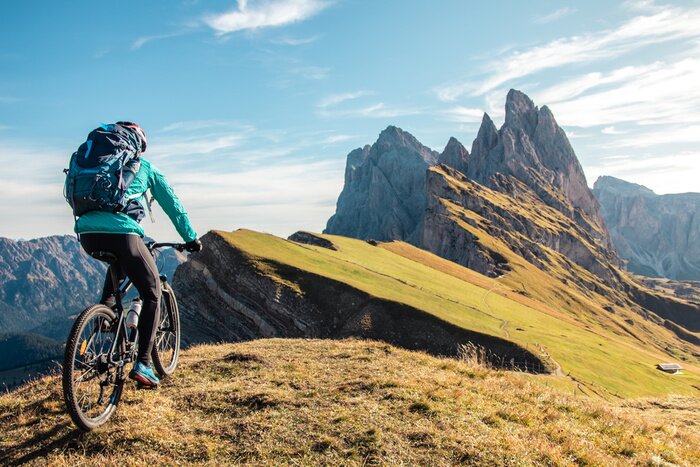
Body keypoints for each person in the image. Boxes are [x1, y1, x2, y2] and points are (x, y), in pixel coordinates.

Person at [76, 121, 201, 388]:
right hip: (123, 233)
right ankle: (143, 363)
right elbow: (173, 206)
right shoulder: (144, 167)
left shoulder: (94, 163)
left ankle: (105, 312)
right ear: (139, 147)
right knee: (152, 292)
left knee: (119, 260)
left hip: (86, 233)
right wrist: (191, 238)